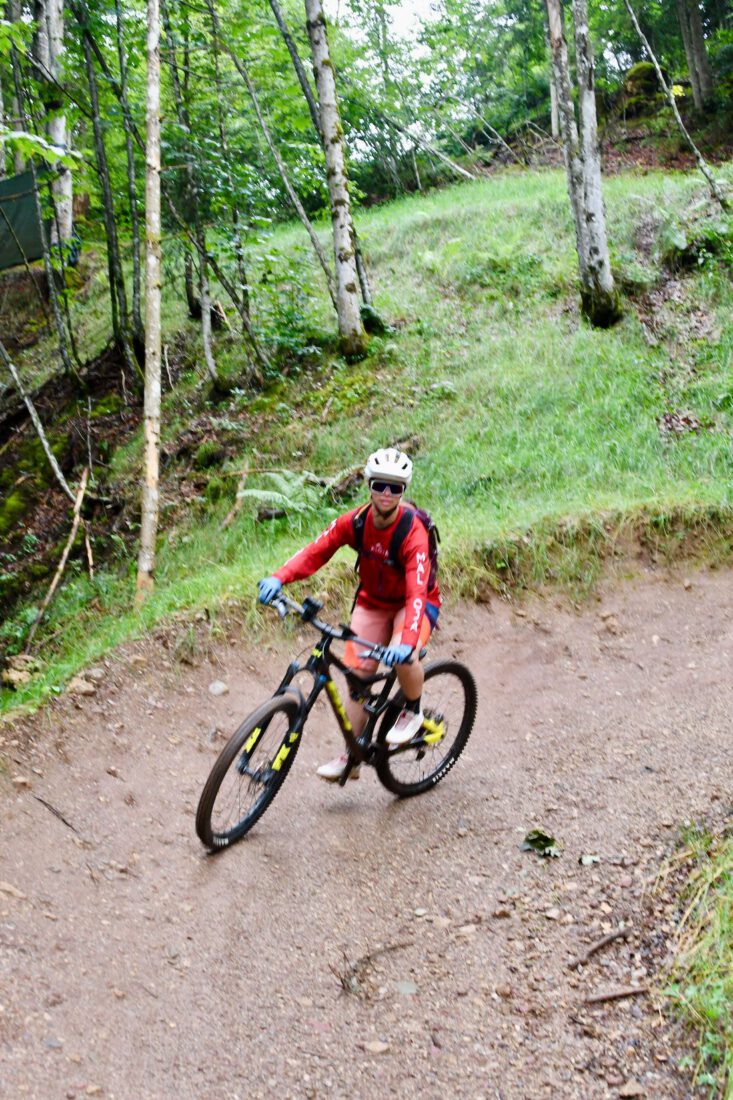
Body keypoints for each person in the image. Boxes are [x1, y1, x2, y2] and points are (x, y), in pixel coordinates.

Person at [257, 447, 441, 782]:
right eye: (380, 485)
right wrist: (278, 576)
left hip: (414, 604)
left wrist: (407, 641)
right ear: (369, 485)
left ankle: (412, 711)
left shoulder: (412, 533)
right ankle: (352, 757)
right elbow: (316, 550)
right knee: (357, 677)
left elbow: (416, 593)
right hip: (372, 602)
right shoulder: (355, 522)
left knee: (404, 656)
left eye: (395, 488)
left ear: (404, 491)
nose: (386, 494)